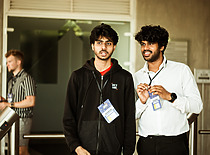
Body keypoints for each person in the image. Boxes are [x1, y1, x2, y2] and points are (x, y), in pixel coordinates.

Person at [63, 23, 136, 155]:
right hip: (83, 151)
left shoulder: (125, 78)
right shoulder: (78, 76)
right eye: (99, 43)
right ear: (92, 46)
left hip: (113, 150)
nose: (103, 47)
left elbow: (129, 119)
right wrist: (76, 147)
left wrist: (128, 152)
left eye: (108, 43)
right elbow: (68, 117)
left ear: (114, 47)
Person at [134, 25, 203, 155]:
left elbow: (197, 106)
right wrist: (141, 102)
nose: (145, 48)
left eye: (151, 43)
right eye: (143, 44)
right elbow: (131, 115)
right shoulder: (136, 77)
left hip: (175, 143)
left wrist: (171, 97)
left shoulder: (182, 70)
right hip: (146, 143)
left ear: (162, 47)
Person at [0, 49, 36, 155]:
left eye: (10, 61)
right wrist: (4, 101)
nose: (7, 64)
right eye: (7, 62)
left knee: (22, 150)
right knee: (12, 149)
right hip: (10, 120)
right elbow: (14, 101)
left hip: (23, 119)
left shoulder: (27, 79)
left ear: (18, 62)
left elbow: (30, 101)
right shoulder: (11, 80)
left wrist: (8, 104)